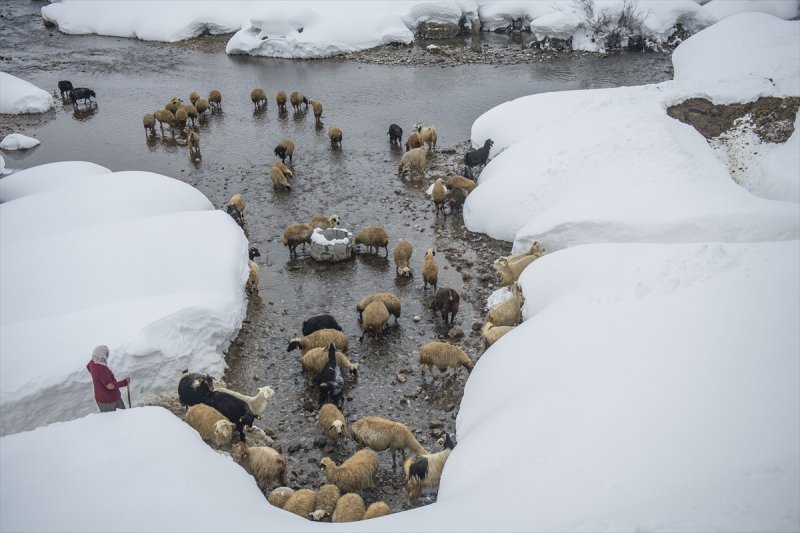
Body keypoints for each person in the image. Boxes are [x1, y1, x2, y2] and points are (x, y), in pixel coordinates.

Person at [86, 345, 130, 412]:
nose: (107, 356)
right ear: (101, 355)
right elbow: (109, 386)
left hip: (101, 399)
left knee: (109, 420)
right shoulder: (102, 369)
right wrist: (124, 382)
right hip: (110, 400)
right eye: (106, 354)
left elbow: (88, 367)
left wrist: (97, 378)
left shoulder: (92, 362)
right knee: (119, 418)